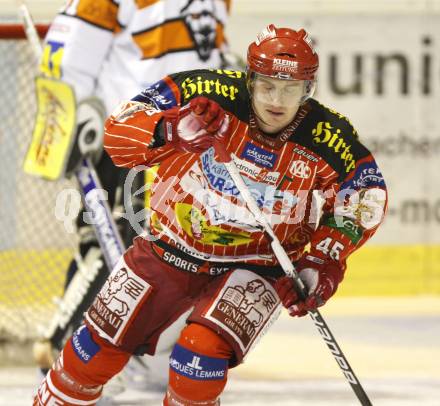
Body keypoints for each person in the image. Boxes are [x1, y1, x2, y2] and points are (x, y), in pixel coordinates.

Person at [34, 24, 388, 405]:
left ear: (309, 90)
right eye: (268, 85)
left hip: (257, 264)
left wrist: (322, 260)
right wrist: (168, 128)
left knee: (197, 362)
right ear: (250, 79)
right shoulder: (202, 92)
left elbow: (365, 194)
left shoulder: (328, 135)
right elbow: (120, 132)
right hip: (169, 246)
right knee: (89, 354)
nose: (278, 100)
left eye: (292, 89)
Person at [34, 0, 233, 389]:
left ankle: (149, 358)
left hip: (190, 145)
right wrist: (73, 114)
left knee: (183, 252)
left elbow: (209, 51)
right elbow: (65, 51)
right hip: (130, 138)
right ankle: (69, 356)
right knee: (113, 243)